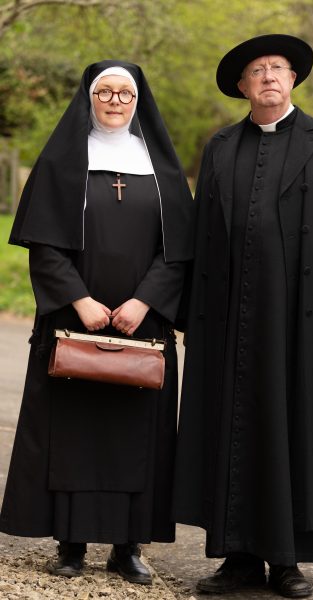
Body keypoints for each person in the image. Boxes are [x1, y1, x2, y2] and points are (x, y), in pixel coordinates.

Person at [173, 34, 313, 598]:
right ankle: (237, 559)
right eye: (256, 71)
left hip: (302, 322)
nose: (267, 77)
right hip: (230, 319)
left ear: (293, 79)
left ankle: (287, 562)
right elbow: (203, 237)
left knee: (294, 430)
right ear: (242, 86)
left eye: (277, 68)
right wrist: (194, 316)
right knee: (231, 430)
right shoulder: (221, 146)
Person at [0, 60, 193, 585]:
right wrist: (79, 299)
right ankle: (71, 543)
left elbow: (177, 250)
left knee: (136, 434)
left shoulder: (163, 169)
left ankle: (127, 547)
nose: (113, 100)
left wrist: (143, 302)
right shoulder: (62, 163)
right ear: (88, 97)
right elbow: (45, 245)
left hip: (142, 324)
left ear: (138, 101)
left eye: (124, 93)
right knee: (74, 432)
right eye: (104, 91)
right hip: (74, 320)